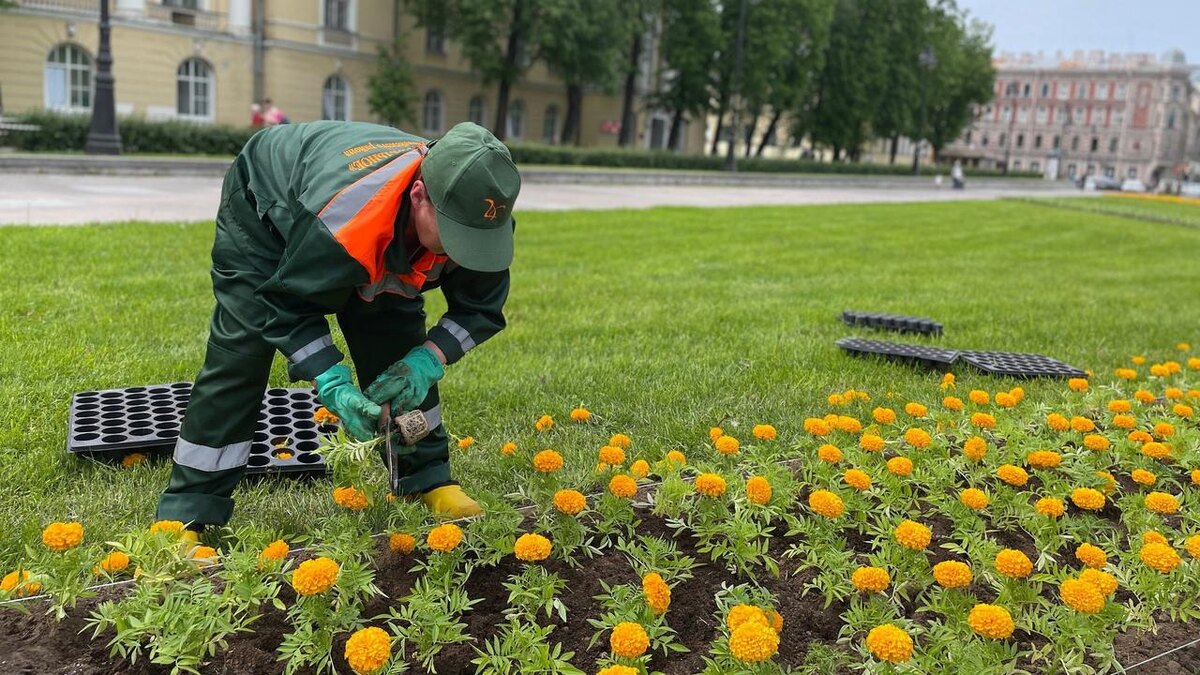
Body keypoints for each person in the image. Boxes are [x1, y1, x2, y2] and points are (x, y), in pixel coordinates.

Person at [156, 121, 520, 537]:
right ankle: (187, 510)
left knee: (393, 337)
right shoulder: (342, 217)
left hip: (363, 221)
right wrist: (330, 377)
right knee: (244, 347)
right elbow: (285, 307)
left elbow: (481, 308)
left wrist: (427, 359)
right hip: (268, 211)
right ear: (419, 194)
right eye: (454, 236)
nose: (464, 251)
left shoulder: (481, 211)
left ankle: (427, 479)